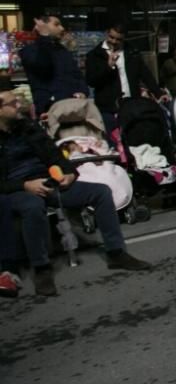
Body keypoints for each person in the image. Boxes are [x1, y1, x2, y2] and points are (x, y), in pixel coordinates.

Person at [0, 85, 150, 298]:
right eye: (12, 103)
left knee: (100, 192)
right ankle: (42, 268)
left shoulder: (28, 127)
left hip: (49, 181)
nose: (19, 106)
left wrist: (70, 173)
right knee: (32, 206)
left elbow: (55, 156)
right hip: (17, 189)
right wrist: (25, 186)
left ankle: (116, 253)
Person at [85, 23, 167, 132]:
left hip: (132, 105)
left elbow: (145, 74)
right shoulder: (94, 55)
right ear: (107, 33)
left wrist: (159, 93)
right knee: (112, 139)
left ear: (124, 38)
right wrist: (108, 67)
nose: (114, 41)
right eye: (111, 37)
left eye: (118, 39)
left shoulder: (132, 52)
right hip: (108, 108)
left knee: (133, 137)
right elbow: (91, 80)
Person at [18, 14, 88, 116]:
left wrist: (82, 91)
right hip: (49, 109)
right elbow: (44, 68)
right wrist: (44, 37)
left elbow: (76, 75)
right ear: (43, 27)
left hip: (73, 107)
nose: (62, 28)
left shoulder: (62, 50)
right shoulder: (29, 51)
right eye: (56, 25)